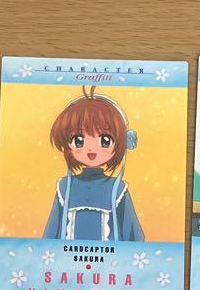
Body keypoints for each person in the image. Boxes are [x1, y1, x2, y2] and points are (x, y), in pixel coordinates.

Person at [42, 87, 144, 241]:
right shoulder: (64, 187)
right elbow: (51, 231)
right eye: (78, 140)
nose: (91, 149)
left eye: (105, 140)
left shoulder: (118, 188)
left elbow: (132, 234)